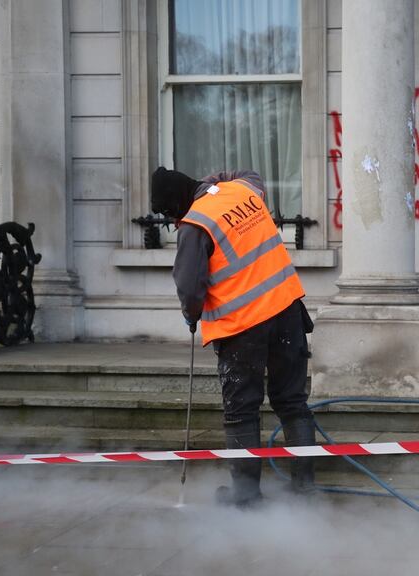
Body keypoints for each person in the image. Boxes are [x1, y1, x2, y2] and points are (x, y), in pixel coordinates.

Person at [150, 166, 316, 507]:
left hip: (243, 328)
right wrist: (214, 179)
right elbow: (251, 172)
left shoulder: (195, 223)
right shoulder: (241, 190)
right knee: (293, 403)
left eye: (170, 213)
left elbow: (189, 286)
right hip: (287, 312)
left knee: (241, 411)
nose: (173, 221)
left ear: (176, 204)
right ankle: (305, 490)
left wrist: (190, 315)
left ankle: (246, 496)